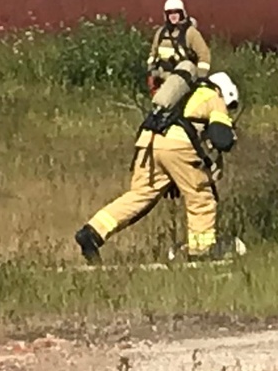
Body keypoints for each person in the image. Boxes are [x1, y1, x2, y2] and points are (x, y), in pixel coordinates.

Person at [79, 71, 238, 261]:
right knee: (201, 198)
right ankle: (200, 253)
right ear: (225, 92)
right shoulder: (213, 97)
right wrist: (229, 132)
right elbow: (222, 140)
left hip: (149, 141)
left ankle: (92, 232)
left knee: (140, 195)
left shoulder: (183, 95)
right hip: (176, 144)